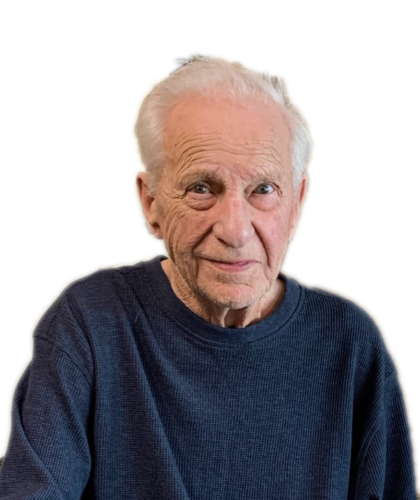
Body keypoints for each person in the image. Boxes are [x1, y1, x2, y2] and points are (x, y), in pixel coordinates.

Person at [0, 55, 416, 499]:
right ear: (151, 203)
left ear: (296, 204)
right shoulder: (87, 324)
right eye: (201, 188)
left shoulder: (351, 344)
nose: (235, 231)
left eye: (263, 190)